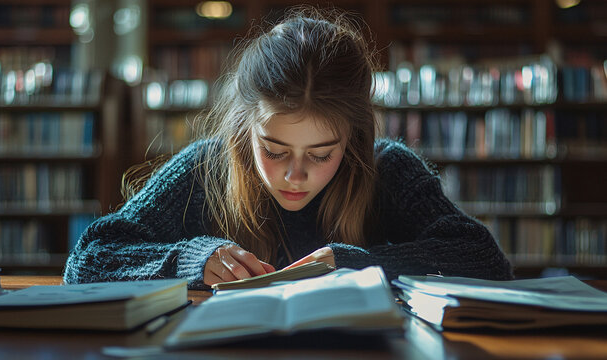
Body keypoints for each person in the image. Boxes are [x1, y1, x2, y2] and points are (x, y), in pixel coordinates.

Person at [63, 7, 513, 289]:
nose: (294, 176)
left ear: (353, 139)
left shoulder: (388, 169)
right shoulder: (205, 167)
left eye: (320, 155)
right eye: (274, 150)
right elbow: (86, 261)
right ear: (244, 127)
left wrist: (365, 264)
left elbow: (484, 258)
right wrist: (191, 259)